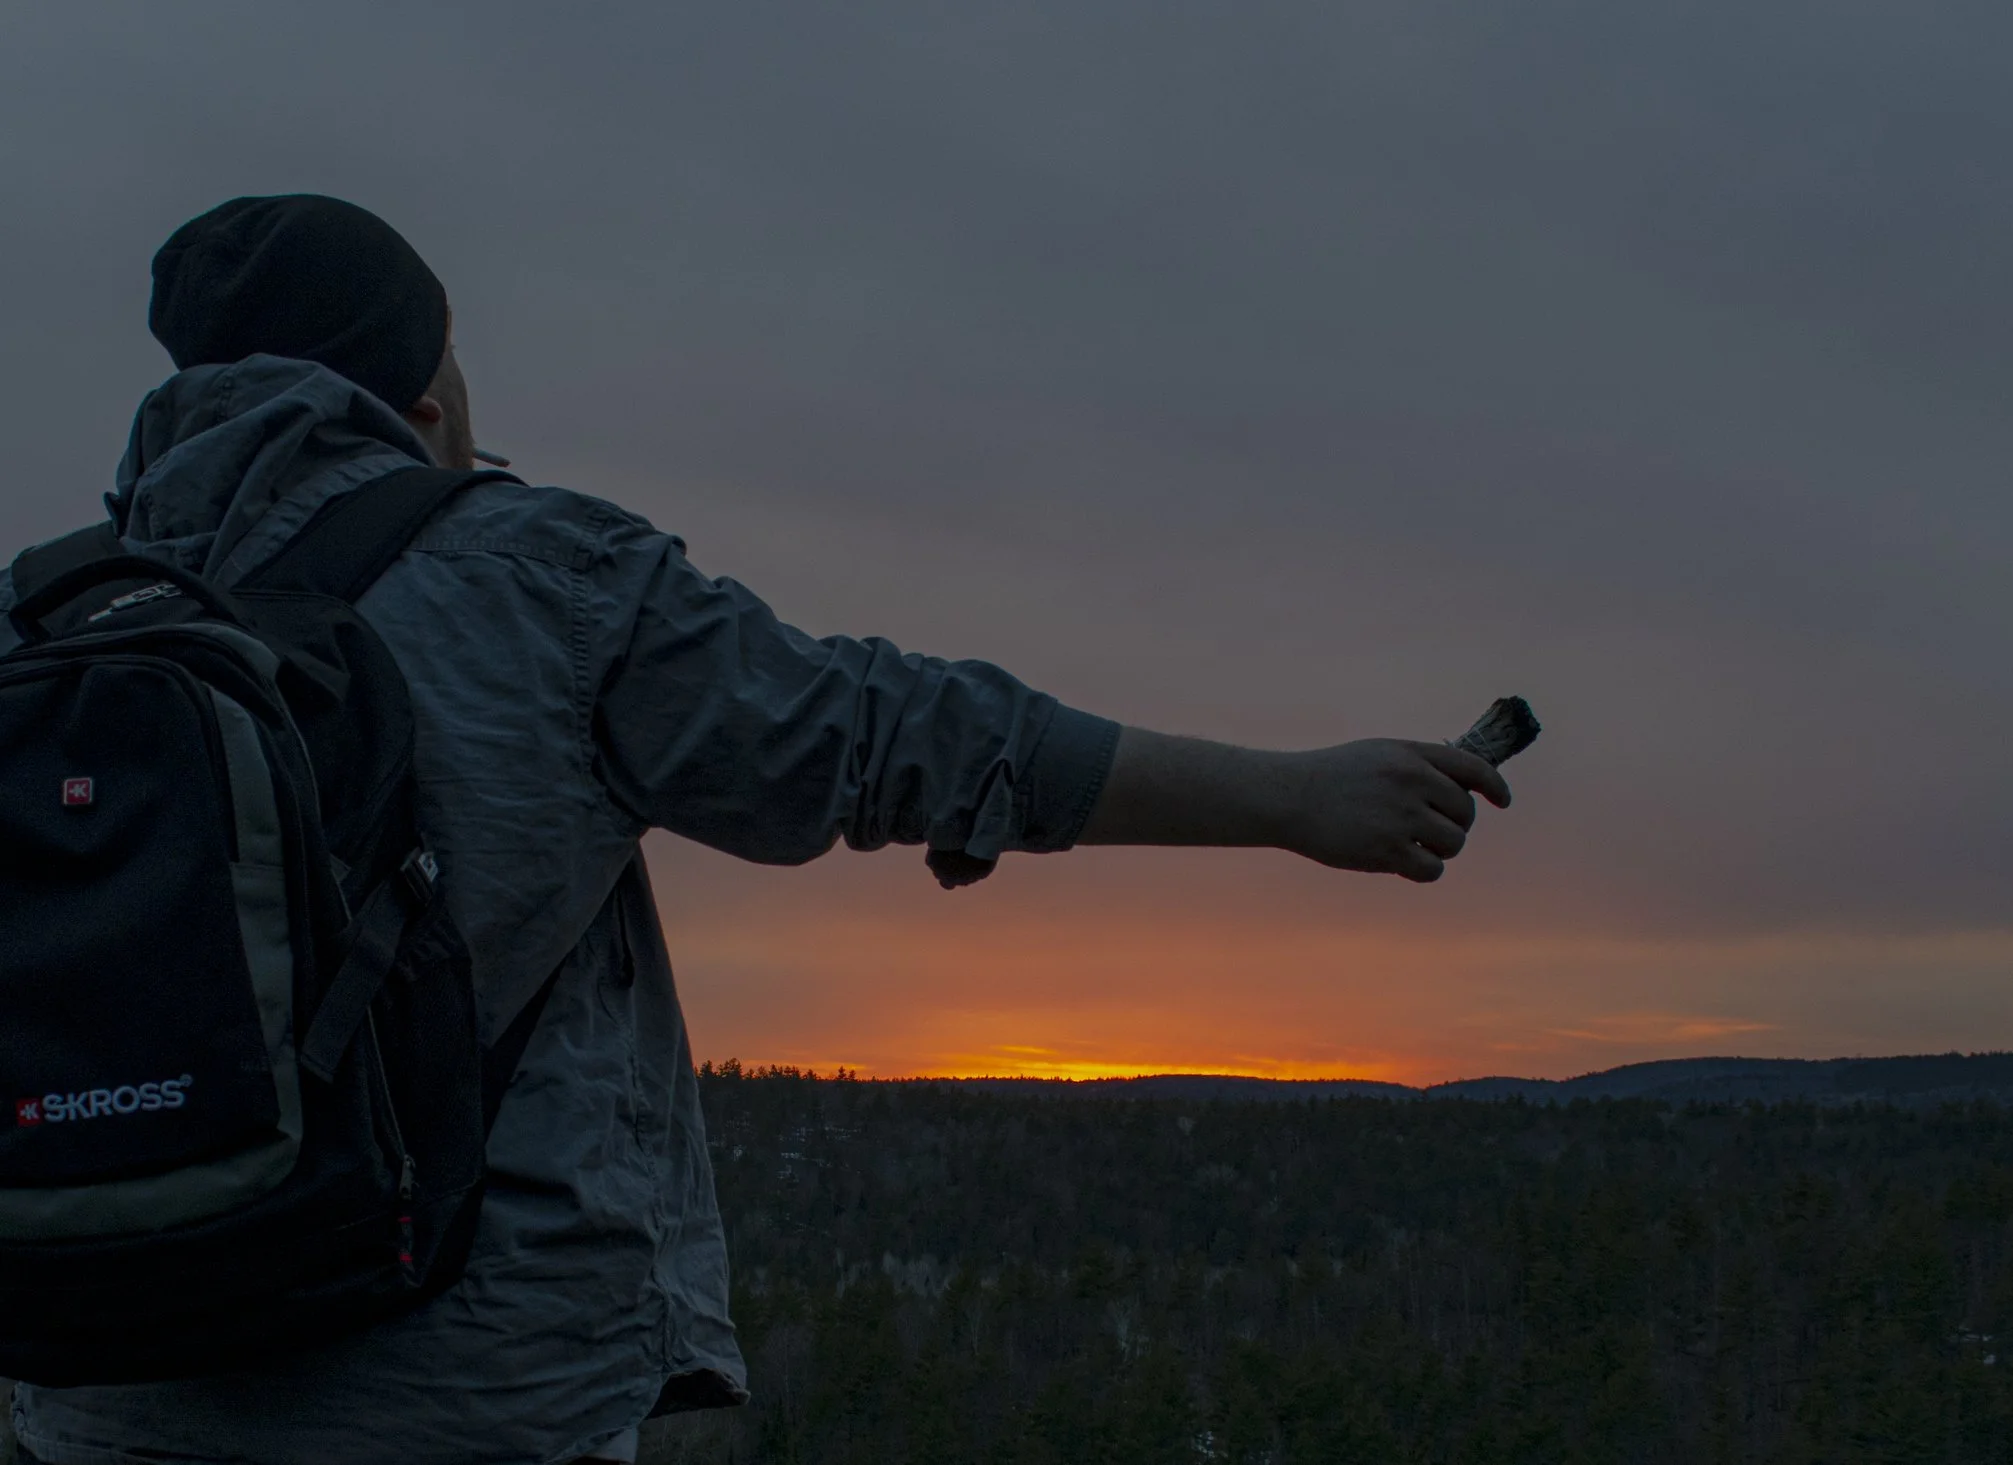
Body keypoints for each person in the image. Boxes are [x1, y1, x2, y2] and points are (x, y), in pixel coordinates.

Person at [1, 195, 1508, 1465]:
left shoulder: (50, 623)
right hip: (468, 1394)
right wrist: (1297, 800)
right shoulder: (539, 574)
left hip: (97, 1397)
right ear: (425, 392)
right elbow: (894, 733)